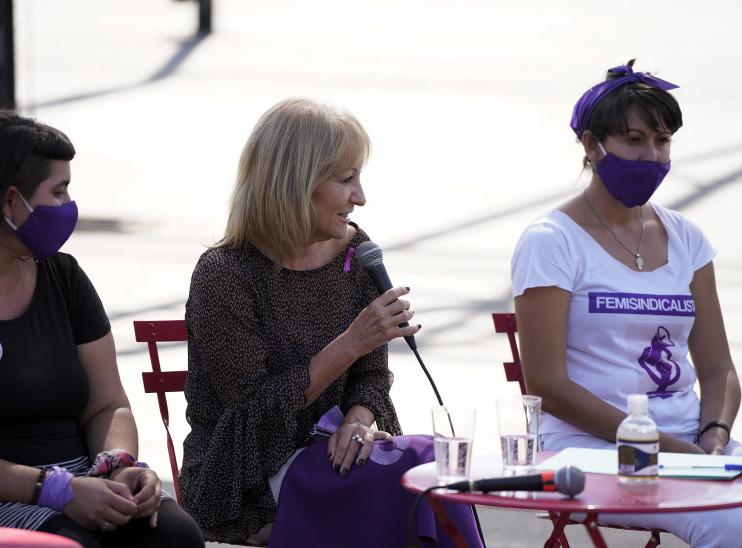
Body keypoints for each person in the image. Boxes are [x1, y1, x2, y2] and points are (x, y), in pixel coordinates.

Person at [180, 98, 482, 547]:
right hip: (246, 476)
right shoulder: (225, 273)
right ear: (296, 184)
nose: (360, 197)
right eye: (346, 180)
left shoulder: (355, 254)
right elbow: (249, 418)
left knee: (433, 463)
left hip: (340, 454)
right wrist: (348, 345)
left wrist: (359, 419)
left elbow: (372, 377)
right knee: (407, 478)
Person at [0, 111, 204, 548]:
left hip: (80, 480)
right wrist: (52, 489)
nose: (69, 205)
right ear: (10, 202)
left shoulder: (61, 275)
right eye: (59, 191)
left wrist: (118, 465)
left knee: (173, 536)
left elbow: (108, 405)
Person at [512, 60, 742, 547]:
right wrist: (667, 448)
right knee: (732, 525)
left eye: (662, 141)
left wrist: (715, 437)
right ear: (592, 146)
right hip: (589, 449)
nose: (652, 156)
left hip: (690, 447)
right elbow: (547, 386)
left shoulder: (686, 238)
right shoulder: (552, 241)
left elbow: (719, 369)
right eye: (634, 141)